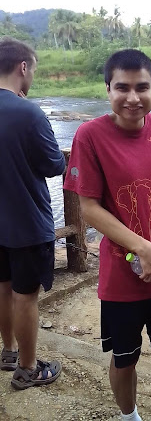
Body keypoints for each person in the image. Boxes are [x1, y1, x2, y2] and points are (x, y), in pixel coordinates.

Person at [64, 49, 151, 421]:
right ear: (107, 90)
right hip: (122, 274)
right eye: (122, 87)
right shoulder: (90, 136)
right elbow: (90, 207)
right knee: (125, 358)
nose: (132, 98)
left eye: (142, 87)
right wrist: (142, 246)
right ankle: (130, 418)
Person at [0, 38, 65, 389]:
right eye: (33, 70)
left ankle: (8, 351)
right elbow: (54, 164)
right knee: (26, 297)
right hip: (26, 224)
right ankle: (27, 368)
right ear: (23, 67)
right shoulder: (28, 112)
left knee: (2, 287)